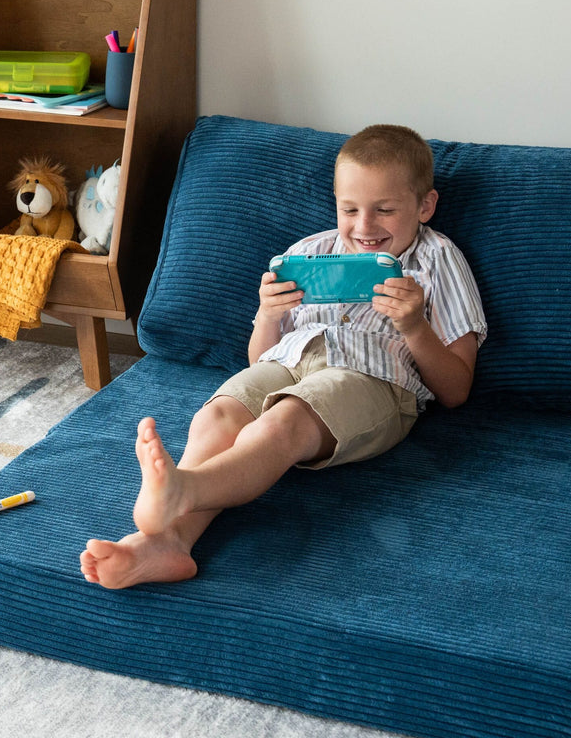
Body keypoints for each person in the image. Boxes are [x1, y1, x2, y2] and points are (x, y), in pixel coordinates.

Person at [80, 124, 487, 589]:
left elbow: (456, 390)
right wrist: (267, 315)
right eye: (349, 209)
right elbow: (260, 361)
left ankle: (183, 491)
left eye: (385, 210)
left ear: (425, 206)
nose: (364, 227)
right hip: (287, 362)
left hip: (372, 378)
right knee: (216, 419)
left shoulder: (438, 260)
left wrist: (413, 325)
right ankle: (168, 543)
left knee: (281, 423)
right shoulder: (306, 254)